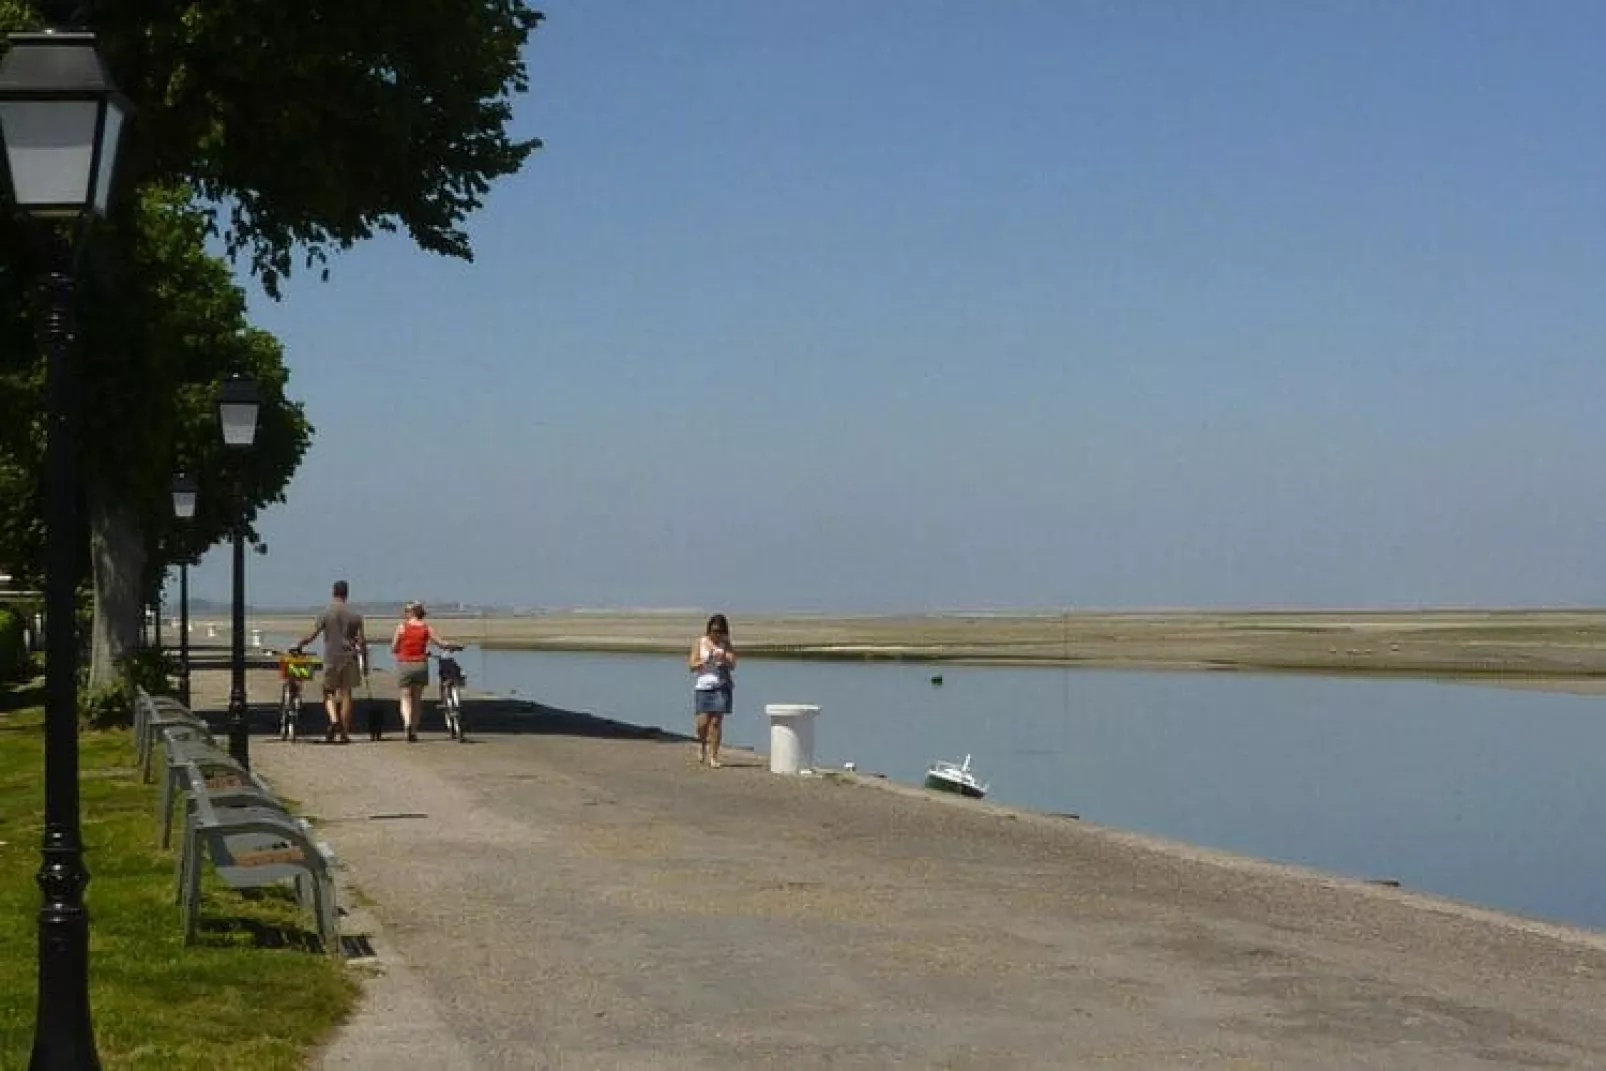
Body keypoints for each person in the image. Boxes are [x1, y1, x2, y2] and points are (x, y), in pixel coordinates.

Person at [294, 580, 368, 744]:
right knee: (346, 694)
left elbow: (313, 635)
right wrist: (366, 665)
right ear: (347, 593)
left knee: (328, 691)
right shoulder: (355, 616)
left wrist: (300, 643)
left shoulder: (326, 613)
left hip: (331, 658)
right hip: (349, 657)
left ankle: (334, 720)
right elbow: (362, 642)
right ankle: (344, 733)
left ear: (333, 592)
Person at [391, 602, 460, 743]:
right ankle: (414, 730)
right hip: (421, 665)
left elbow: (393, 647)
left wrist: (400, 651)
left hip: (405, 664)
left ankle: (407, 724)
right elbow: (441, 643)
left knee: (405, 697)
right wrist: (455, 645)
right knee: (417, 700)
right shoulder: (426, 627)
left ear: (409, 613)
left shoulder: (401, 627)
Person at [688, 613, 736, 767]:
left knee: (716, 722)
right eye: (714, 631)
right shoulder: (700, 642)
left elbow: (733, 664)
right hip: (703, 687)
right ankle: (702, 745)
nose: (716, 634)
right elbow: (691, 665)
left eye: (720, 631)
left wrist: (724, 658)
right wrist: (705, 660)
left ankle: (714, 756)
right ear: (708, 630)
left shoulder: (725, 644)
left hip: (721, 686)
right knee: (702, 723)